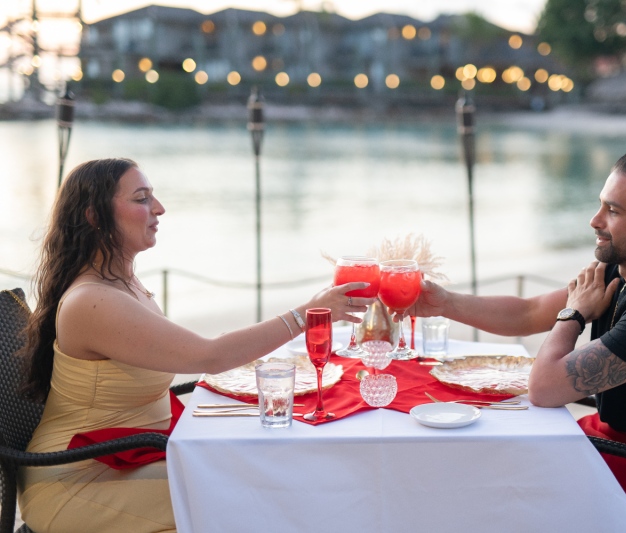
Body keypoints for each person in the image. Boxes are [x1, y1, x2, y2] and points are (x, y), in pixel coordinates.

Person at [17, 158, 374, 533]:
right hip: (77, 480)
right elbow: (209, 355)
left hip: (129, 457)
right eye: (142, 199)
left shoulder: (125, 285)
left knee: (269, 476)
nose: (159, 208)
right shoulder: (93, 301)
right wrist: (307, 314)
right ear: (94, 217)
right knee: (255, 498)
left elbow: (203, 350)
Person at [408, 149, 626, 532]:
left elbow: (544, 388)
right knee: (488, 483)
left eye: (613, 211)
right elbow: (529, 312)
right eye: (600, 205)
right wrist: (444, 303)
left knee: (501, 510)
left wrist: (575, 315)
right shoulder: (625, 268)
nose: (595, 221)